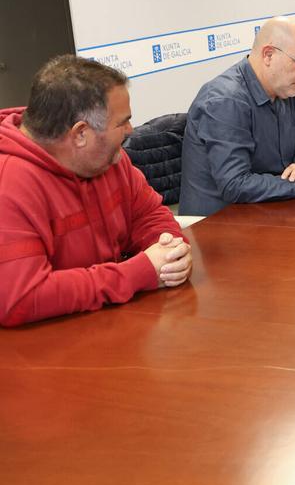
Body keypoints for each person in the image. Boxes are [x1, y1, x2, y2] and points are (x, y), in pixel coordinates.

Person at [0, 55, 192, 326]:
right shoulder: (9, 184)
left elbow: (148, 214)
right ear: (80, 134)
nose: (130, 129)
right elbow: (21, 299)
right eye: (121, 122)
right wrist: (136, 274)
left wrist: (171, 252)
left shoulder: (108, 159)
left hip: (111, 329)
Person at [180, 17, 295, 216]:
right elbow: (235, 185)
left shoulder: (285, 88)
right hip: (219, 225)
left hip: (267, 211)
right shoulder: (225, 100)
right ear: (268, 55)